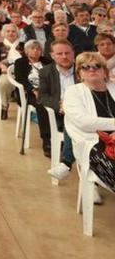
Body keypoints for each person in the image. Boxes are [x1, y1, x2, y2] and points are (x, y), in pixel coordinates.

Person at [63, 52, 115, 204]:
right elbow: (84, 122)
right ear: (79, 73)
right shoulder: (73, 92)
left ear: (105, 71)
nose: (91, 69)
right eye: (85, 67)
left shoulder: (113, 88)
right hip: (92, 143)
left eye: (96, 66)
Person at [40, 40, 77, 178]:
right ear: (52, 55)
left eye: (67, 53)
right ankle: (67, 163)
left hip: (83, 112)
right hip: (61, 115)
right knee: (70, 117)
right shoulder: (45, 72)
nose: (64, 56)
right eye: (59, 53)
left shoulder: (84, 69)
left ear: (73, 53)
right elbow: (42, 97)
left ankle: (66, 163)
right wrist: (58, 105)